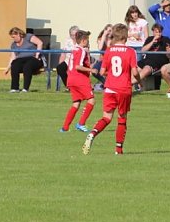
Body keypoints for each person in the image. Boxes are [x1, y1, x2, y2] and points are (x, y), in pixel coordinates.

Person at [82, 24, 140, 155]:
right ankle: (118, 150)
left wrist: (112, 75)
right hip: (124, 89)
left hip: (109, 89)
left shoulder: (109, 50)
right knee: (122, 118)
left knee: (106, 118)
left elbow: (102, 71)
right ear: (125, 36)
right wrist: (139, 80)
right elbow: (135, 72)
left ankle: (92, 133)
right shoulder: (131, 51)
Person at [59, 30, 95, 133]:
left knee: (76, 103)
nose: (88, 42)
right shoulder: (81, 51)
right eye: (87, 40)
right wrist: (91, 70)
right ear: (83, 41)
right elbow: (78, 66)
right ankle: (81, 123)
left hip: (71, 79)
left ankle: (65, 127)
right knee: (91, 100)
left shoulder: (74, 50)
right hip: (79, 79)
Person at [5, 27, 44, 92]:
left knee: (27, 66)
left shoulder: (28, 37)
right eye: (12, 37)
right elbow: (13, 57)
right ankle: (14, 88)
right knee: (14, 64)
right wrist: (8, 68)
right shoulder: (13, 45)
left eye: (14, 37)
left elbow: (40, 43)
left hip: (33, 58)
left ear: (19, 34)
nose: (13, 39)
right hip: (21, 60)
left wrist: (37, 55)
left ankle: (25, 88)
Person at [135, 23, 170, 90]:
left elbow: (169, 54)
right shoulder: (149, 39)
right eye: (156, 32)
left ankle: (129, 84)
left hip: (157, 62)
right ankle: (133, 85)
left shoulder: (166, 40)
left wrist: (169, 51)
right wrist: (152, 42)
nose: (158, 34)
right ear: (153, 32)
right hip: (146, 60)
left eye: (160, 32)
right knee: (135, 69)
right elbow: (143, 51)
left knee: (146, 69)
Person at [55, 25, 79, 90]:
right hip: (68, 60)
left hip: (78, 62)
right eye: (72, 35)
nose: (74, 37)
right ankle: (68, 86)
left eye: (75, 35)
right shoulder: (67, 41)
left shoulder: (82, 41)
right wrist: (60, 64)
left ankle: (76, 86)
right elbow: (63, 54)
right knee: (60, 68)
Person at [91, 23, 113, 90]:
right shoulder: (101, 39)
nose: (110, 32)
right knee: (94, 70)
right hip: (103, 60)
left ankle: (110, 85)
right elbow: (100, 48)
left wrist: (109, 41)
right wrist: (104, 36)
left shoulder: (114, 39)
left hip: (111, 60)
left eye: (111, 31)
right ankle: (105, 82)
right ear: (105, 30)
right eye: (109, 30)